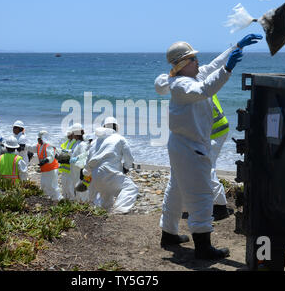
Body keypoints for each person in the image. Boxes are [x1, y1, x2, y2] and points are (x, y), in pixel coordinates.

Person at [154, 34, 262, 259]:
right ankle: (203, 247)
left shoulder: (185, 78)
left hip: (180, 146)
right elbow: (205, 90)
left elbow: (212, 66)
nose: (198, 62)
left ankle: (169, 233)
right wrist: (228, 71)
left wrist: (236, 47)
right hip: (191, 148)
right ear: (184, 64)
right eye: (193, 59)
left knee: (176, 189)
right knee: (201, 195)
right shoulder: (184, 85)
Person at [83, 117, 138, 214]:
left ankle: (106, 216)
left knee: (107, 196)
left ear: (104, 127)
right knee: (131, 188)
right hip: (109, 172)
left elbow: (88, 163)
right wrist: (126, 168)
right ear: (116, 127)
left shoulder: (95, 141)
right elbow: (129, 158)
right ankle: (119, 212)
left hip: (95, 176)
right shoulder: (120, 138)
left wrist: (87, 173)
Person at [27, 130, 63, 201]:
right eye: (38, 139)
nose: (38, 140)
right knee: (44, 185)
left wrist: (45, 160)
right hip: (45, 170)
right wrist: (23, 145)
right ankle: (47, 200)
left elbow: (51, 156)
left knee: (53, 186)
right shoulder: (38, 146)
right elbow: (30, 148)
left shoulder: (49, 146)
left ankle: (58, 200)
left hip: (52, 169)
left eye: (40, 139)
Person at [67, 123, 89, 202]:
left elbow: (84, 157)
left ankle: (83, 202)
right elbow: (74, 153)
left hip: (78, 170)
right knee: (75, 186)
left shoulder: (82, 144)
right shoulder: (76, 143)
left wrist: (76, 159)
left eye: (73, 133)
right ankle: (79, 201)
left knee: (80, 187)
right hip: (74, 170)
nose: (72, 134)